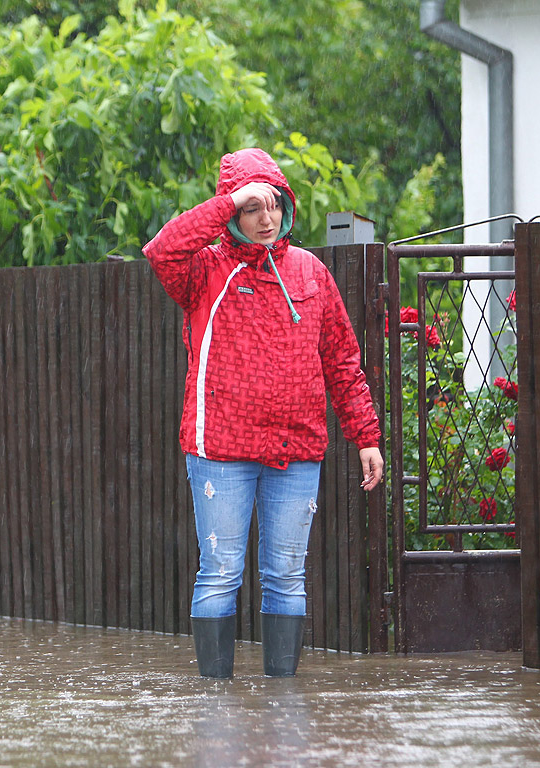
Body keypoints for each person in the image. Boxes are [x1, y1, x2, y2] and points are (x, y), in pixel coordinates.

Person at [143, 147, 383, 678]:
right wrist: (228, 197)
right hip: (221, 452)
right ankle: (215, 709)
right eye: (252, 207)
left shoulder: (313, 273)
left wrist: (366, 434)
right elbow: (161, 251)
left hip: (295, 451)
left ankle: (282, 709)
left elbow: (343, 359)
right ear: (233, 213)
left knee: (286, 578)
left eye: (273, 204)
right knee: (221, 573)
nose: (265, 217)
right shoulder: (205, 271)